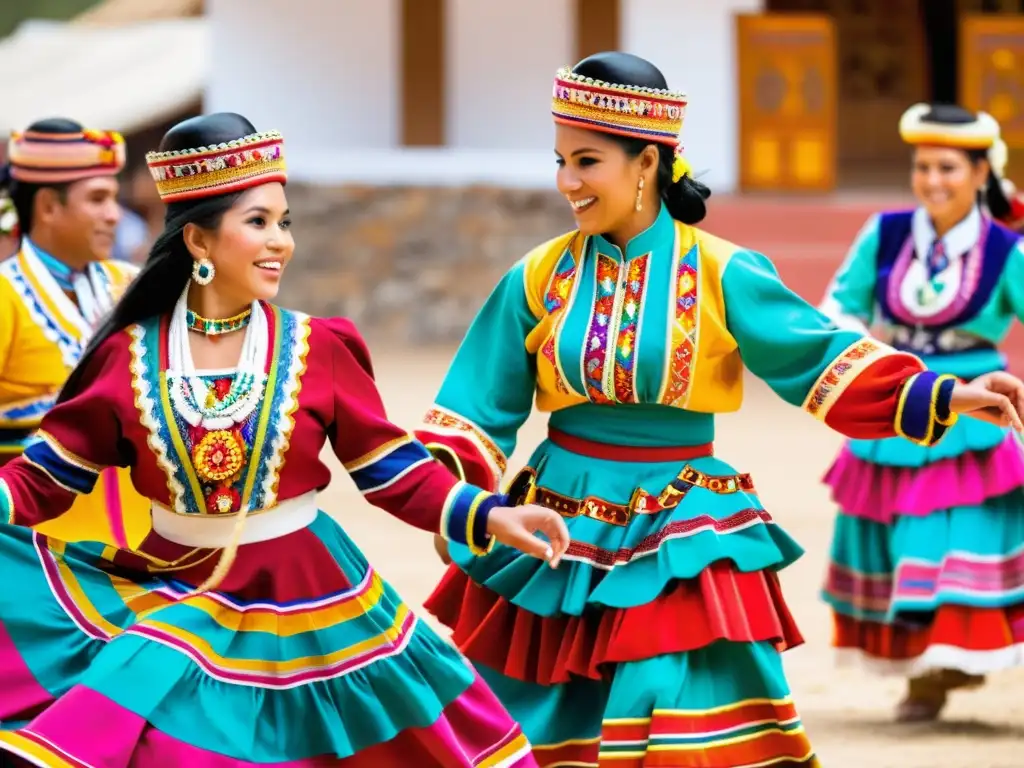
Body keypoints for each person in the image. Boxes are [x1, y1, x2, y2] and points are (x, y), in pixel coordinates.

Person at [416, 53, 1024, 767]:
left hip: (677, 523)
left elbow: (817, 356)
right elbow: (476, 407)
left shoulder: (722, 271)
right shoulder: (539, 275)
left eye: (586, 161)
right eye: (560, 160)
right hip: (559, 519)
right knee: (540, 730)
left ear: (647, 161)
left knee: (680, 725)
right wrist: (457, 504)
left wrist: (941, 395)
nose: (566, 182)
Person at [0, 112, 570, 767]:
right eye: (259, 222)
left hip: (312, 594)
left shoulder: (317, 346)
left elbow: (393, 471)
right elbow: (43, 478)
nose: (282, 243)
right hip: (177, 589)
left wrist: (492, 513)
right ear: (200, 242)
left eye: (285, 222)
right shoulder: (127, 361)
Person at [818, 102, 1024, 723]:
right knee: (901, 537)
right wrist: (864, 356)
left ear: (982, 171)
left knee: (955, 536)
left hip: (976, 413)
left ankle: (953, 660)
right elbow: (838, 307)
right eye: (922, 166)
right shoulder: (884, 233)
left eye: (948, 168)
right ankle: (928, 673)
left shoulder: (1006, 251)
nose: (933, 180)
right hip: (902, 399)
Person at [0, 118, 148, 550]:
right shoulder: (5, 296)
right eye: (98, 199)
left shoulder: (134, 287)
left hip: (138, 553)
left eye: (115, 198)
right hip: (30, 557)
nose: (114, 214)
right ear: (47, 206)